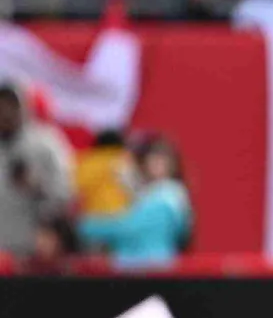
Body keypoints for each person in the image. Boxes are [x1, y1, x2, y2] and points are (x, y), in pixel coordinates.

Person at [78, 136, 193, 269]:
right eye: (153, 158)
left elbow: (127, 227)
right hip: (131, 269)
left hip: (154, 270)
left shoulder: (169, 196)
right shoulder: (144, 195)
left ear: (173, 164)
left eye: (163, 159)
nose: (157, 164)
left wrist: (86, 225)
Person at [0, 83, 74, 257]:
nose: (5, 113)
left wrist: (36, 185)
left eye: (11, 106)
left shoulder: (46, 144)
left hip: (33, 246)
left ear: (24, 108)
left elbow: (64, 193)